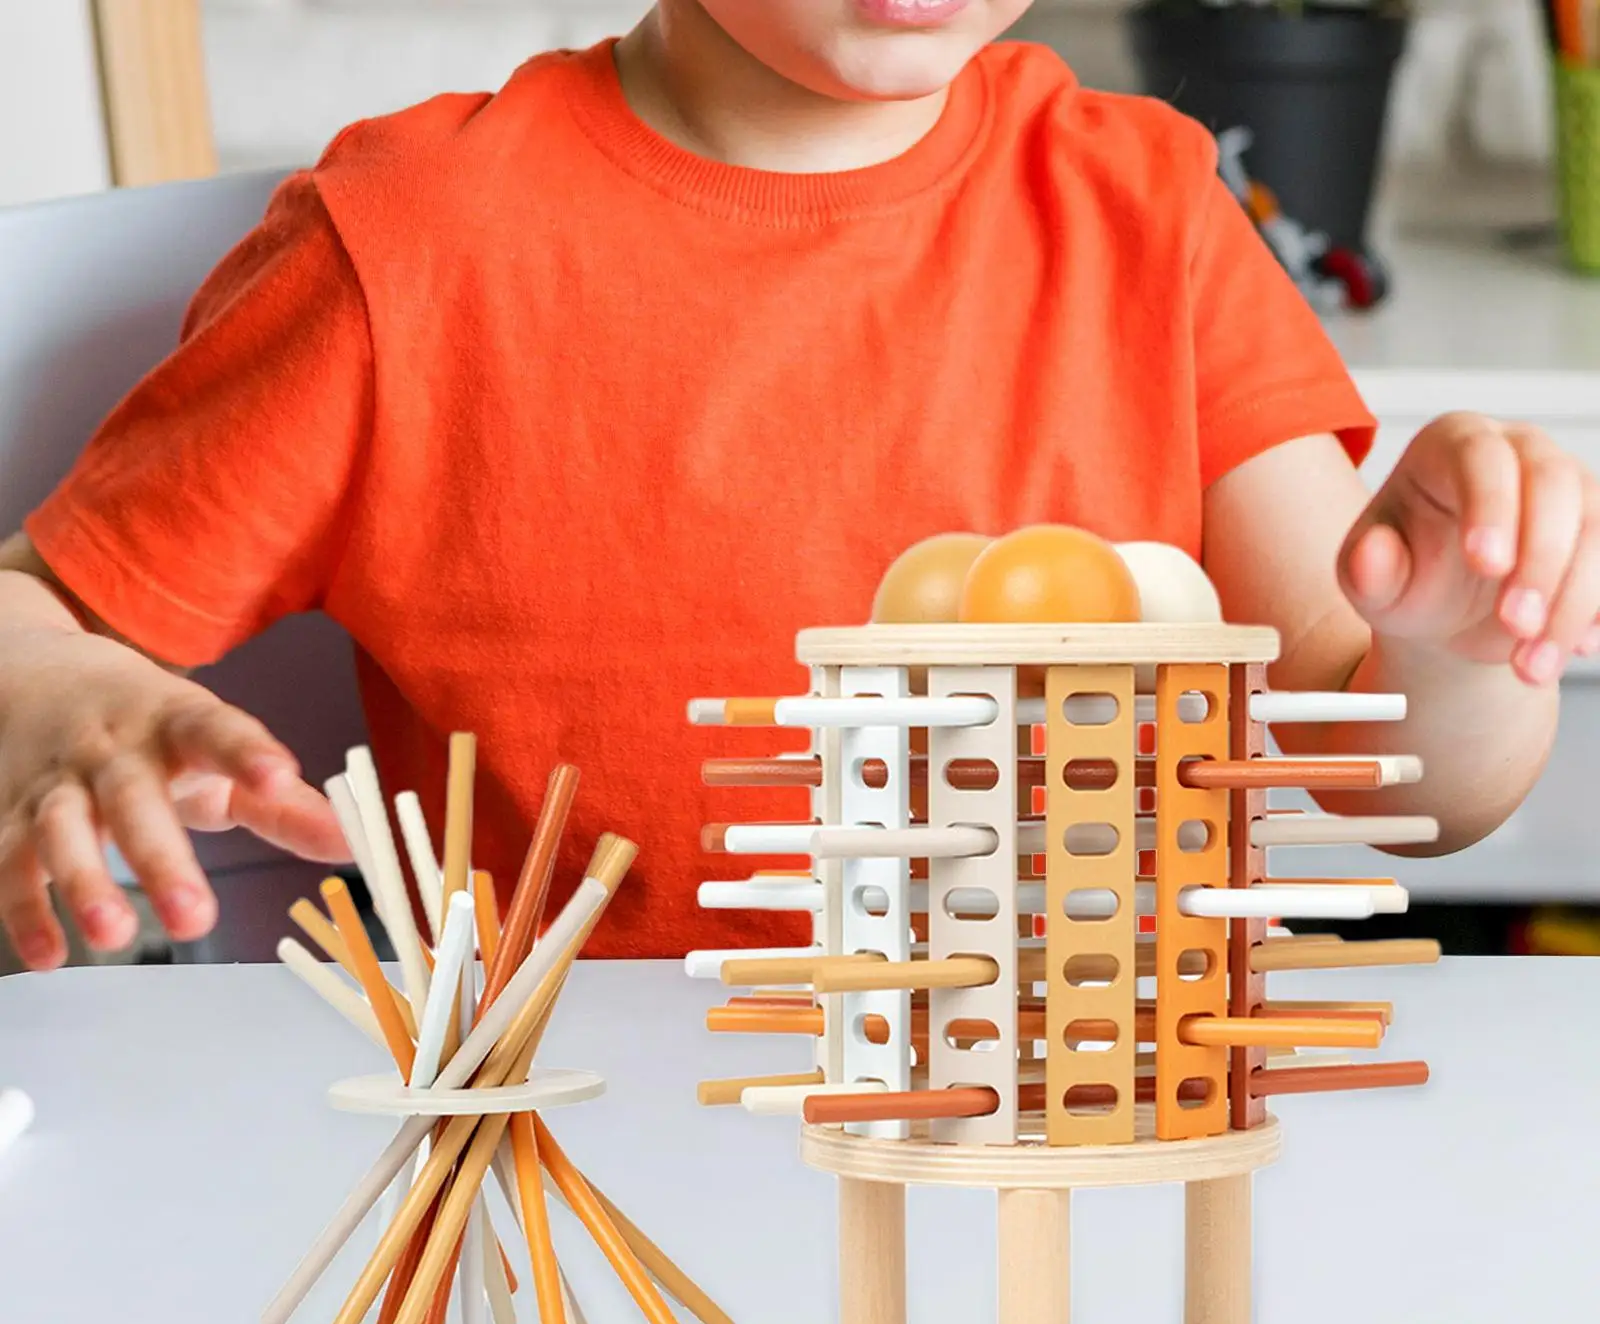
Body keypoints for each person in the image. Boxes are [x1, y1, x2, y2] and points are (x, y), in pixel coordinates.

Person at [1, 0, 1593, 968]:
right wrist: (60, 697)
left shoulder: (1149, 208)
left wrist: (1459, 646)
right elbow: (37, 611)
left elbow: (1392, 774)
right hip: (578, 1153)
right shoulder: (406, 248)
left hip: (1077, 1135)